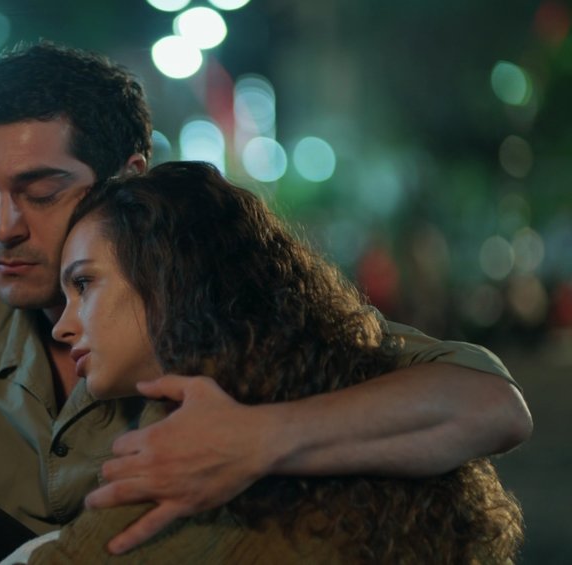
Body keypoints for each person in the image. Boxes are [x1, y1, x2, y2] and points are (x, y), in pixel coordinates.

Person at [0, 42, 531, 564]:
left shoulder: (229, 322)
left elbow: (490, 404)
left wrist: (258, 439)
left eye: (40, 192)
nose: (4, 227)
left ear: (130, 184)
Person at [31, 160, 523, 562]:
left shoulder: (188, 441)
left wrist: (252, 439)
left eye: (84, 284)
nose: (62, 326)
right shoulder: (307, 363)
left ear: (165, 275)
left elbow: (497, 406)